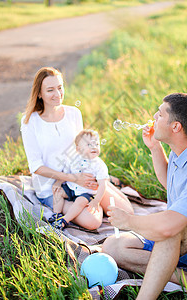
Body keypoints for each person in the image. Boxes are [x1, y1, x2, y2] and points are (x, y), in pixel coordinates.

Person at [21, 67, 133, 231]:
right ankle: (86, 202)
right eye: (50, 90)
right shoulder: (29, 121)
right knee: (93, 222)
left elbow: (81, 151)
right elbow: (36, 167)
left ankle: (100, 190)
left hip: (82, 177)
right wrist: (72, 178)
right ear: (39, 93)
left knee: (127, 211)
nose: (58, 94)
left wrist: (91, 178)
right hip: (53, 187)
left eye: (60, 88)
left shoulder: (74, 113)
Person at [102, 93, 187, 299]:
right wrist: (155, 148)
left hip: (179, 234)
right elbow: (171, 183)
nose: (153, 118)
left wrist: (129, 220)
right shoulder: (178, 150)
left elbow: (169, 226)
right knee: (112, 246)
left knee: (168, 232)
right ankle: (180, 276)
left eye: (159, 114)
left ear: (175, 126)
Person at [50, 129, 119, 230]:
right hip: (71, 187)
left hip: (86, 192)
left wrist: (96, 201)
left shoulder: (99, 165)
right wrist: (58, 182)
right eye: (89, 145)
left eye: (96, 144)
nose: (94, 147)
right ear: (79, 149)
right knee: (58, 192)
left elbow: (103, 185)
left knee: (80, 202)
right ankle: (56, 215)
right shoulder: (73, 159)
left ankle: (64, 221)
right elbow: (66, 173)